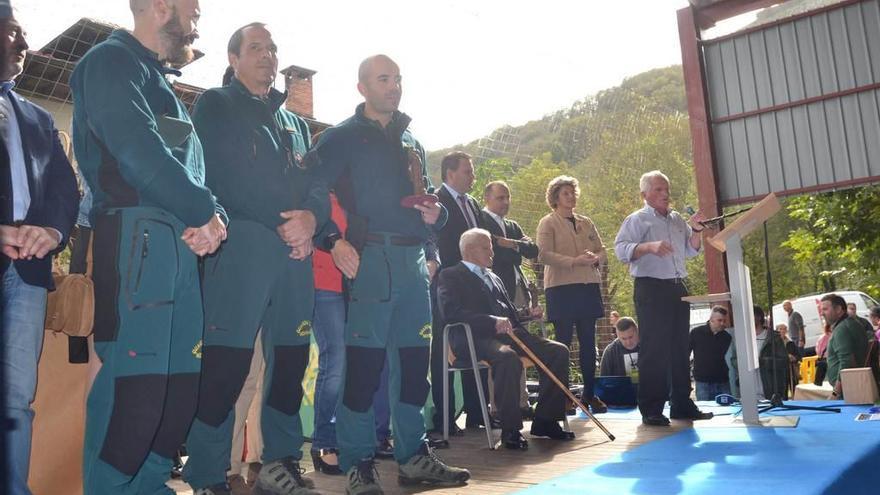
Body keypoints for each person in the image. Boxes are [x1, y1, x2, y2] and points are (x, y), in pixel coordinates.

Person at [71, 0, 229, 491]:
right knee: (134, 395)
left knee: (178, 390)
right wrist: (203, 211)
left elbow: (192, 172)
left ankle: (151, 485)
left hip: (179, 245)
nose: (199, 18)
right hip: (135, 237)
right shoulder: (108, 62)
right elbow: (138, 150)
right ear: (162, 6)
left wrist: (213, 218)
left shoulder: (162, 82)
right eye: (194, 8)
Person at [309, 54, 469, 494]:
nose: (394, 86)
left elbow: (426, 199)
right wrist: (331, 240)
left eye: (397, 78)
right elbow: (310, 188)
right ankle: (359, 462)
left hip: (414, 261)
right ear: (362, 87)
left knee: (415, 366)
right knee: (363, 368)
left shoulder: (411, 140)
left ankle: (413, 454)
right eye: (384, 79)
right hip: (368, 260)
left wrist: (434, 225)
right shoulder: (340, 137)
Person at [181, 23, 328, 495]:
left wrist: (312, 218)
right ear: (233, 59)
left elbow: (318, 186)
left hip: (296, 252)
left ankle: (279, 462)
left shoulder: (296, 124)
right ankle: (205, 472)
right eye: (256, 48)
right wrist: (283, 220)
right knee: (227, 363)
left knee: (289, 360)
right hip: (242, 243)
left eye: (273, 49)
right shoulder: (216, 104)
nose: (268, 56)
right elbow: (219, 173)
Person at [0, 3, 79, 492]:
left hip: (27, 275)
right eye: (13, 32)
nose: (25, 44)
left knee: (14, 400)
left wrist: (51, 232)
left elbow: (64, 190)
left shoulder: (37, 118)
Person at [438, 229, 573, 450]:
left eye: (491, 246)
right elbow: (451, 313)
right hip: (475, 338)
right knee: (508, 358)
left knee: (558, 351)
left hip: (511, 335)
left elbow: (508, 315)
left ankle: (546, 420)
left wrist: (527, 314)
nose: (492, 252)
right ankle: (510, 429)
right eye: (486, 247)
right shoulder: (450, 275)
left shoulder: (494, 277)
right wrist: (491, 320)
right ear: (470, 250)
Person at [613, 170, 712, 426]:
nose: (665, 193)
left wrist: (697, 231)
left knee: (680, 348)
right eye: (658, 189)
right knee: (654, 350)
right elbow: (620, 249)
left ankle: (681, 404)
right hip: (651, 288)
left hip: (678, 287)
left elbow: (690, 252)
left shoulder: (678, 219)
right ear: (644, 194)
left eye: (666, 188)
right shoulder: (637, 219)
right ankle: (651, 408)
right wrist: (648, 247)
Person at [536, 175, 608, 414]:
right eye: (566, 193)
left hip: (587, 286)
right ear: (555, 197)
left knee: (589, 343)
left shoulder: (586, 222)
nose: (571, 196)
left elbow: (602, 249)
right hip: (561, 289)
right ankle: (563, 396)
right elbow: (544, 255)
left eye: (573, 192)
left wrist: (596, 258)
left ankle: (589, 394)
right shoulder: (547, 222)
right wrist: (574, 261)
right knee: (562, 344)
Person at [431, 150, 490, 432]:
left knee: (475, 343)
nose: (473, 176)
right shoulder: (436, 201)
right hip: (446, 287)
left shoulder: (474, 205)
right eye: (468, 171)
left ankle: (478, 412)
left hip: (475, 287)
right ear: (450, 173)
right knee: (443, 348)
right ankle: (444, 416)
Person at [480, 180, 539, 417]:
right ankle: (500, 406)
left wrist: (511, 244)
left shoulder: (511, 225)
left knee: (520, 343)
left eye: (507, 197)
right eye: (500, 198)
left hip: (517, 288)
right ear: (487, 198)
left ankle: (522, 402)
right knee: (500, 348)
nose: (505, 202)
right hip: (495, 290)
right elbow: (496, 251)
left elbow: (533, 250)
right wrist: (516, 247)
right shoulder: (481, 221)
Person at [823, 294, 872, 400]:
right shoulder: (850, 323)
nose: (822, 313)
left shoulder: (843, 328)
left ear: (839, 309)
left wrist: (835, 393)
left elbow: (847, 363)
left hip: (848, 391)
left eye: (825, 309)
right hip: (853, 387)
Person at [689, 306, 732, 401]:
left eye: (724, 321)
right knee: (705, 408)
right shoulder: (696, 333)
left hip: (722, 379)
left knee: (728, 409)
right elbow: (687, 352)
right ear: (711, 320)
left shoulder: (726, 337)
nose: (722, 323)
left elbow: (717, 356)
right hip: (703, 380)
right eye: (719, 320)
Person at [777, 324, 801, 396]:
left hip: (791, 370)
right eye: (780, 329)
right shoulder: (774, 344)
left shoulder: (790, 343)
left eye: (784, 329)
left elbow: (798, 356)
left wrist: (794, 358)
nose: (782, 331)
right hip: (780, 371)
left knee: (794, 388)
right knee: (782, 391)